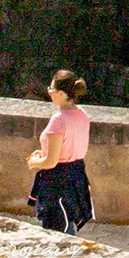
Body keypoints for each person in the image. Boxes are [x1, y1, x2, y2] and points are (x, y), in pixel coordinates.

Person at [27, 69, 94, 235]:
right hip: (77, 175)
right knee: (67, 221)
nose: (49, 92)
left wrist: (34, 162)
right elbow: (70, 148)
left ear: (62, 94)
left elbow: (51, 162)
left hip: (57, 180)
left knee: (57, 229)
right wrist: (44, 152)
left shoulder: (59, 120)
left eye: (52, 89)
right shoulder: (83, 114)